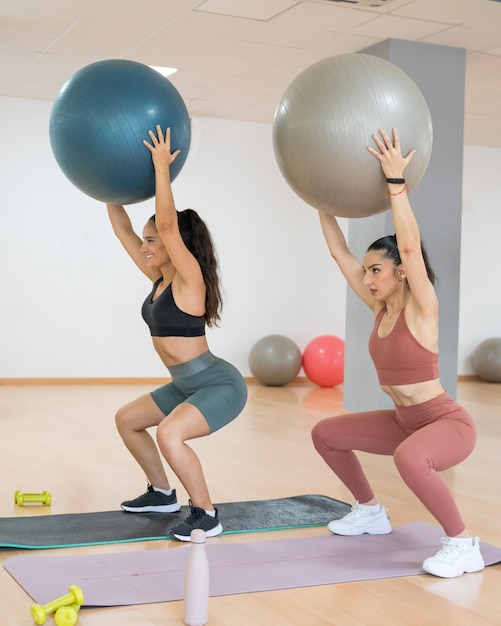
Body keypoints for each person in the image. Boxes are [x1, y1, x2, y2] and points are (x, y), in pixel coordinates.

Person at [311, 128, 485, 578]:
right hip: (402, 422)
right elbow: (336, 251)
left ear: (402, 272)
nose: (368, 278)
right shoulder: (378, 307)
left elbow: (409, 245)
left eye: (377, 270)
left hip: (446, 424)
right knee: (326, 433)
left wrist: (395, 184)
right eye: (366, 270)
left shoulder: (423, 307)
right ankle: (369, 512)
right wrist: (319, 200)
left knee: (411, 460)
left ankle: (462, 543)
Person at [106, 125, 247, 541]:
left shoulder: (190, 280)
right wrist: (105, 184)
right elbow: (122, 230)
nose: (147, 245)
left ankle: (206, 514)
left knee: (170, 434)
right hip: (184, 386)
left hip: (218, 384)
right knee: (128, 420)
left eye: (154, 240)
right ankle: (162, 493)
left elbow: (168, 225)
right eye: (147, 241)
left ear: (176, 244)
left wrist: (161, 169)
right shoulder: (159, 277)